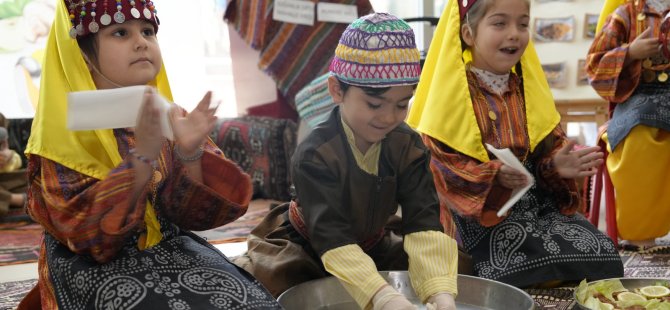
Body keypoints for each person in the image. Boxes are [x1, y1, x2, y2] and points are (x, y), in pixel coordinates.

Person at [18, 1, 281, 309]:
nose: (141, 42)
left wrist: (189, 152)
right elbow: (88, 239)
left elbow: (193, 216)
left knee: (247, 301)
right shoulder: (61, 135)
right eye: (120, 33)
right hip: (89, 265)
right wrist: (141, 159)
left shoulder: (169, 115)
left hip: (169, 249)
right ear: (83, 55)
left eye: (147, 31)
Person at [236, 13, 459, 310]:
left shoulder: (408, 146)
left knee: (451, 270)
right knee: (266, 289)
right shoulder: (316, 154)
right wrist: (384, 298)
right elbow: (333, 238)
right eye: (375, 104)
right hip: (307, 244)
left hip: (372, 241)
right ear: (336, 90)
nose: (389, 117)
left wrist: (439, 295)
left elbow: (423, 222)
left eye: (402, 104)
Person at [406, 0, 624, 288]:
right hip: (481, 216)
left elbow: (546, 151)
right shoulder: (450, 96)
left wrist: (555, 166)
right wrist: (495, 177)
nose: (514, 33)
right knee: (512, 263)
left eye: (523, 24)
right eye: (499, 23)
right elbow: (442, 166)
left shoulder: (528, 90)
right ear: (468, 33)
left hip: (537, 207)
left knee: (603, 252)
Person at [585, 0, 670, 246]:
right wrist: (631, 52)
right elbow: (594, 65)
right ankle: (642, 234)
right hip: (639, 96)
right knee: (639, 138)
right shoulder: (625, 14)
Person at [0, 126, 27, 216]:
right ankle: (15, 199)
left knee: (29, 176)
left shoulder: (11, 154)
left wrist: (10, 157)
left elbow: (18, 164)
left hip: (8, 182)